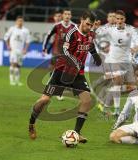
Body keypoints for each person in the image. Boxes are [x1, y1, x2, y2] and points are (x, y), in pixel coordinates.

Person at [28, 11, 102, 143]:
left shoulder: (90, 34)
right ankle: (32, 123)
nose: (89, 27)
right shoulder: (72, 33)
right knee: (44, 100)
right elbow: (65, 50)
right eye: (87, 24)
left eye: (91, 25)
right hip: (61, 71)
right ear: (81, 20)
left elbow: (90, 46)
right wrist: (73, 61)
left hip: (78, 74)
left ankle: (76, 134)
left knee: (87, 100)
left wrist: (95, 56)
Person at [94, 10, 138, 117]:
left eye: (121, 19)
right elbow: (97, 33)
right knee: (118, 80)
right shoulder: (110, 29)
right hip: (113, 60)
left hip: (126, 61)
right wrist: (95, 27)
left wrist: (135, 49)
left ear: (125, 19)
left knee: (128, 86)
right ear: (115, 19)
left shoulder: (131, 29)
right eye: (118, 19)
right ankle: (116, 110)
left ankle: (107, 102)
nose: (119, 21)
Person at [43, 9, 76, 100]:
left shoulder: (74, 27)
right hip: (56, 52)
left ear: (71, 16)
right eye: (65, 14)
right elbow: (48, 36)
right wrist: (44, 48)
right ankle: (54, 90)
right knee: (54, 70)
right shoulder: (57, 26)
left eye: (69, 14)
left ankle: (56, 90)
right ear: (62, 15)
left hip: (67, 53)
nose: (67, 16)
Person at [4, 16, 31, 86]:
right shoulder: (12, 29)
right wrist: (8, 46)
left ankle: (17, 81)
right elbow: (6, 37)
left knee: (18, 66)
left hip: (21, 50)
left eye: (21, 21)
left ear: (23, 22)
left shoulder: (26, 30)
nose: (20, 22)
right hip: (13, 49)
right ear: (16, 22)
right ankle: (11, 80)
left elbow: (28, 41)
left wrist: (25, 49)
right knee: (13, 64)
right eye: (19, 21)